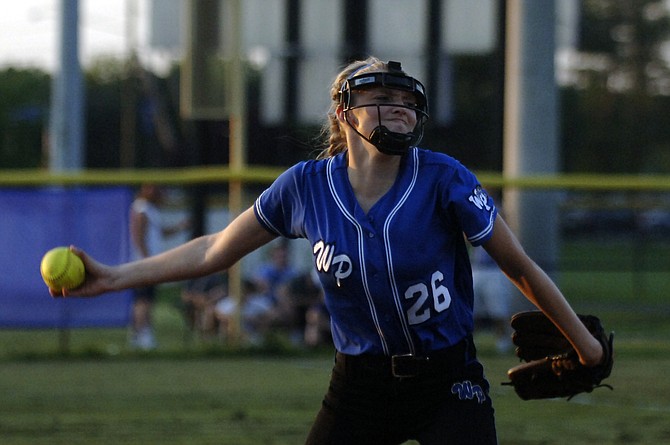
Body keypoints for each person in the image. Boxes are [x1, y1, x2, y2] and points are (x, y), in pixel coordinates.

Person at [53, 57, 605, 444]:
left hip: (448, 377)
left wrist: (588, 350)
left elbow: (519, 265)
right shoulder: (307, 186)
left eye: (405, 101)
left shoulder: (443, 178)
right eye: (379, 98)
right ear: (344, 113)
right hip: (359, 383)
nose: (397, 109)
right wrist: (113, 277)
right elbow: (211, 252)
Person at [128, 183, 190, 350]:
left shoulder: (151, 209)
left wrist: (179, 227)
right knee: (143, 300)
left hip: (150, 262)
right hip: (144, 263)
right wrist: (146, 259)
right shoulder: (141, 208)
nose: (159, 193)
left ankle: (139, 335)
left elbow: (160, 233)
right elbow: (138, 236)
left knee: (146, 299)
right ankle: (142, 336)